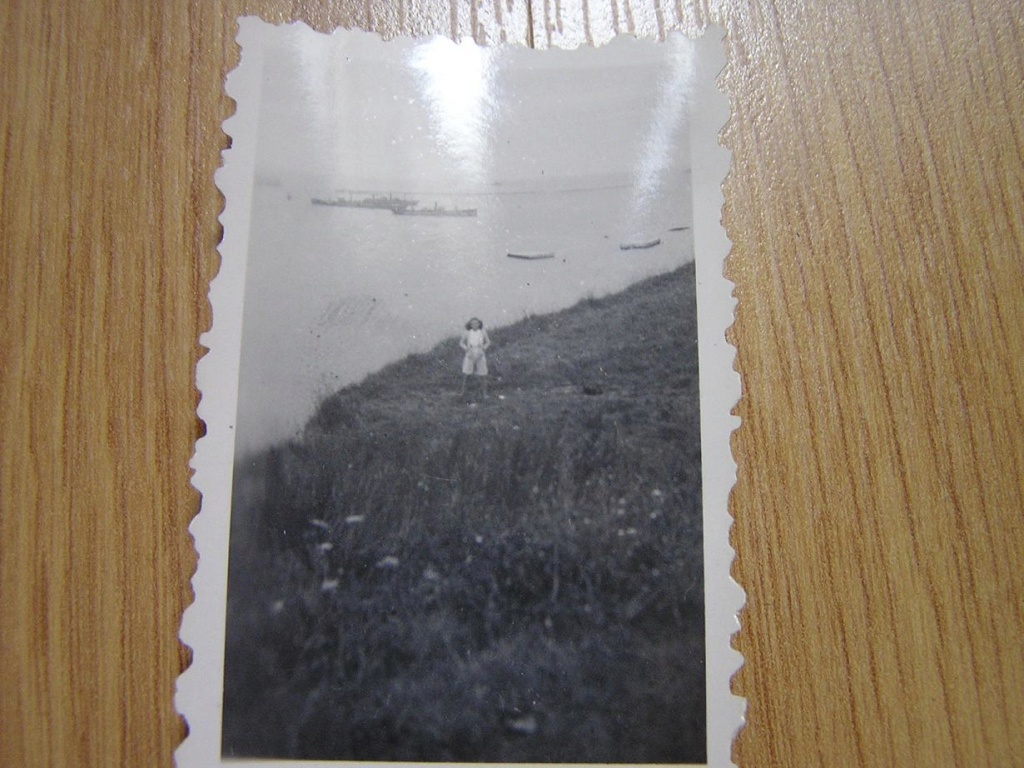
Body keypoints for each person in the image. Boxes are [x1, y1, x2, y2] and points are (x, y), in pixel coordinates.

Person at [459, 317, 491, 399]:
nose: (474, 325)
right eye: (472, 323)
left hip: (480, 352)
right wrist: (466, 348)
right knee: (466, 373)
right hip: (470, 353)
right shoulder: (467, 332)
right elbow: (461, 343)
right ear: (470, 324)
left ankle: (485, 394)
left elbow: (488, 342)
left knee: (483, 374)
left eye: (476, 323)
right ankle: (463, 392)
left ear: (479, 324)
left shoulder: (482, 332)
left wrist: (484, 347)